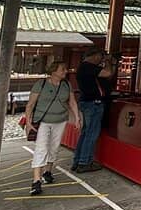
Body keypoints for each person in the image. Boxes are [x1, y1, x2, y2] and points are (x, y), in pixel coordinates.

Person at [24, 61, 80, 196]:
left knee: (54, 146)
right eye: (62, 69)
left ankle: (47, 171)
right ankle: (36, 180)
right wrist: (28, 121)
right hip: (43, 121)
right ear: (54, 71)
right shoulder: (41, 84)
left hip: (60, 120)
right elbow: (30, 104)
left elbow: (72, 101)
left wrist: (77, 117)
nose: (65, 71)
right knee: (41, 148)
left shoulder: (66, 84)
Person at [73, 48, 113, 172]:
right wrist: (108, 62)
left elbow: (106, 76)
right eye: (101, 56)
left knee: (86, 133)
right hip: (93, 104)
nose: (101, 59)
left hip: (87, 102)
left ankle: (78, 160)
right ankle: (84, 162)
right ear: (95, 56)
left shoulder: (84, 68)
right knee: (91, 133)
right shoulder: (88, 67)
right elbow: (108, 73)